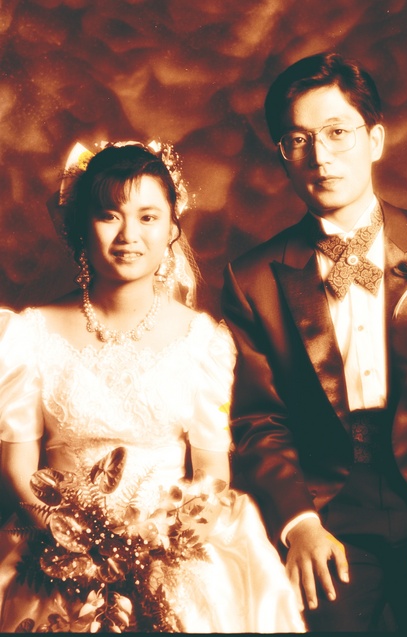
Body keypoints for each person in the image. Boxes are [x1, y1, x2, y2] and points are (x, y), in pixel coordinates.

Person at [221, 52, 407, 632]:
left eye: (337, 132)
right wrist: (299, 524)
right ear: (283, 156)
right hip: (326, 508)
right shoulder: (252, 279)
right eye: (298, 140)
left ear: (374, 140)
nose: (320, 156)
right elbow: (258, 422)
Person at [0, 141, 306, 633]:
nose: (129, 235)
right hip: (57, 546)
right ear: (81, 226)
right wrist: (78, 546)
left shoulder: (202, 341)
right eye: (109, 216)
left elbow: (211, 470)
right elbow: (18, 469)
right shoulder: (27, 334)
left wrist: (161, 548)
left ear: (171, 229)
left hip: (171, 551)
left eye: (147, 217)